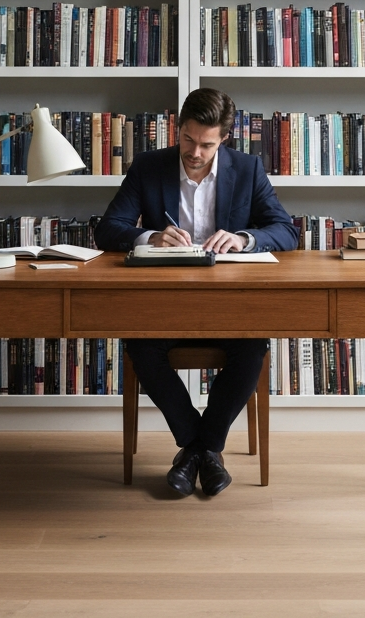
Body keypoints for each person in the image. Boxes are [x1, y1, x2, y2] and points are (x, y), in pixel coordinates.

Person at [94, 88, 298, 497]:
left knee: (253, 346)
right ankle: (202, 448)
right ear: (178, 129)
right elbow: (108, 228)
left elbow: (285, 230)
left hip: (227, 304)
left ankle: (197, 450)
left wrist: (243, 238)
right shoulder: (149, 167)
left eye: (207, 144)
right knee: (139, 344)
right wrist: (150, 236)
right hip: (164, 304)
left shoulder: (248, 168)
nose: (195, 152)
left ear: (224, 137)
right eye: (188, 140)